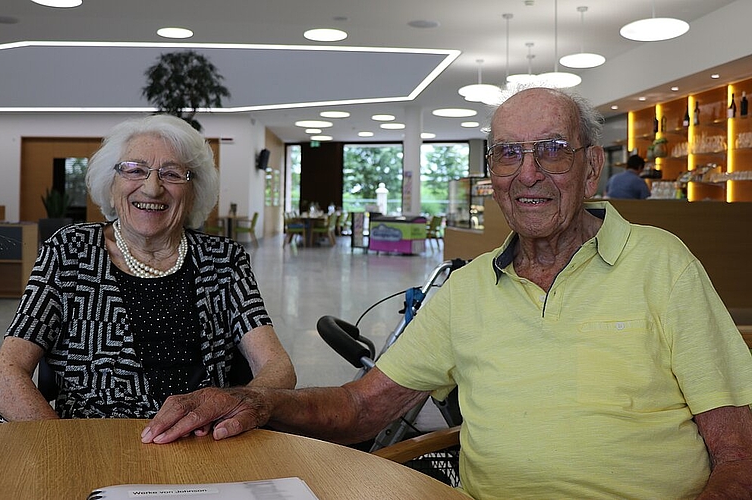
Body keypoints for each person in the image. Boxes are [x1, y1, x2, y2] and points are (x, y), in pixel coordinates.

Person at [140, 89, 752, 498]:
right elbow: (360, 409)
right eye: (508, 153)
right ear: (493, 174)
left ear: (591, 170)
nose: (528, 172)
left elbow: (738, 451)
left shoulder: (661, 265)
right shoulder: (467, 290)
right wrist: (258, 402)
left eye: (552, 151)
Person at [0, 114, 296, 420]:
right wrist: (62, 456)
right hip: (93, 447)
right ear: (112, 182)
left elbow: (277, 367)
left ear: (193, 191)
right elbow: (6, 377)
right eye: (134, 170)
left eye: (172, 174)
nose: (152, 188)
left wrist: (240, 410)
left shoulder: (223, 260)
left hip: (201, 446)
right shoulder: (68, 252)